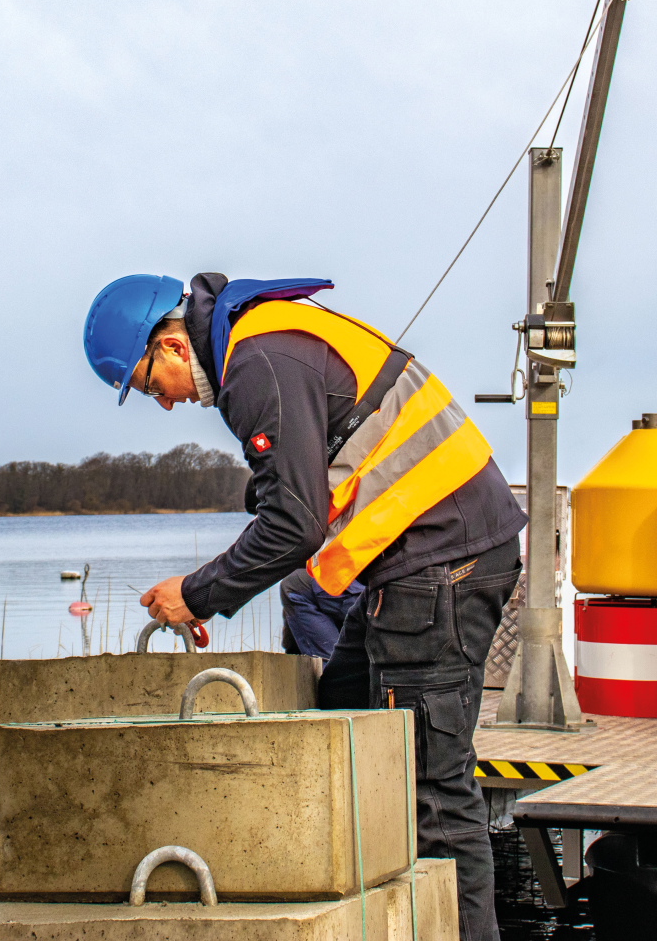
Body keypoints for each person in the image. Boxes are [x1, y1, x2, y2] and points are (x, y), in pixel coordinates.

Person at [83, 272, 525, 941]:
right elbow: (301, 483)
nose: (166, 404)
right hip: (436, 553)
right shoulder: (261, 341)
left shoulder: (254, 361)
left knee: (434, 793)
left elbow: (294, 525)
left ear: (170, 346)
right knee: (340, 704)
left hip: (440, 561)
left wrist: (197, 593)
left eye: (150, 387)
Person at [279, 568, 363, 660]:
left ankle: (332, 663)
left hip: (362, 595)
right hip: (362, 592)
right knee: (299, 584)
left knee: (295, 584)